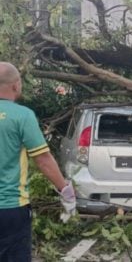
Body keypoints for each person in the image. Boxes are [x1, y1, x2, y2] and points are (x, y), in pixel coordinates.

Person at [0, 62, 76, 261]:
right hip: (10, 208)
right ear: (16, 85)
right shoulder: (22, 116)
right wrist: (66, 191)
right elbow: (43, 159)